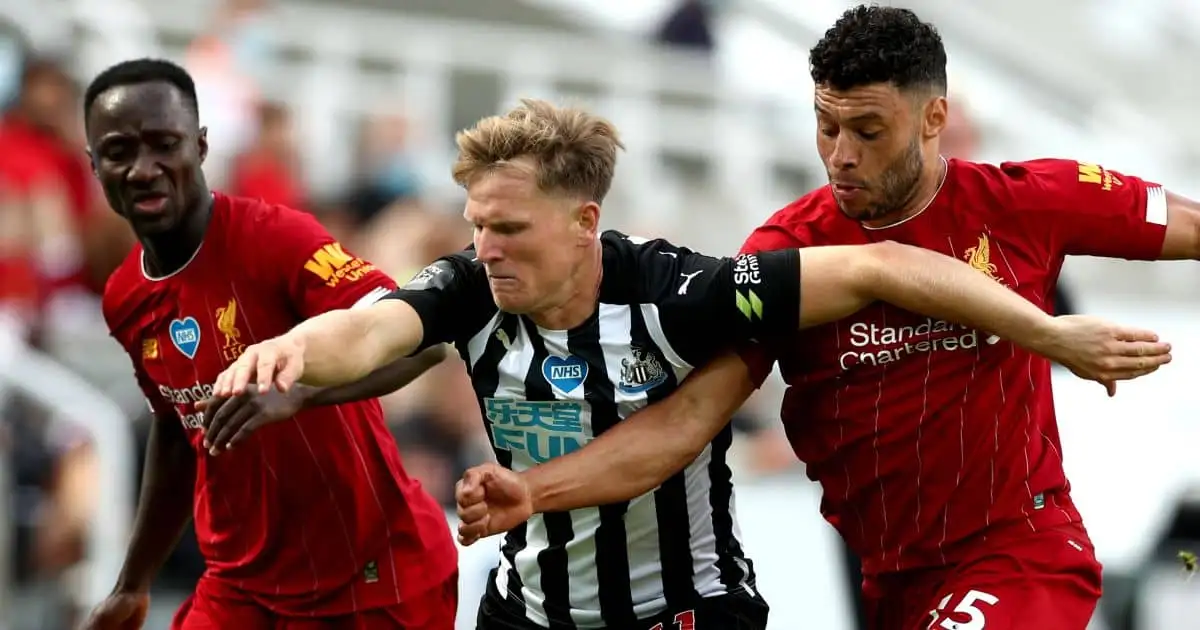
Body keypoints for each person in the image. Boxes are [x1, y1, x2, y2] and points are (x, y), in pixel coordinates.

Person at [211, 99, 1169, 630]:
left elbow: (881, 265)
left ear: (584, 223)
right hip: (528, 615)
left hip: (683, 615)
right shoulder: (469, 289)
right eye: (476, 226)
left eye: (508, 227)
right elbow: (373, 331)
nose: (486, 246)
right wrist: (293, 348)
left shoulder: (685, 294)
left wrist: (1051, 335)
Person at [451, 6, 1199, 630]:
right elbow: (685, 424)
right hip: (887, 577)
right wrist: (537, 491)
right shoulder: (787, 254)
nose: (840, 156)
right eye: (825, 126)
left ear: (934, 117)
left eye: (867, 132)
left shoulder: (1022, 203)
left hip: (1018, 549)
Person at [78, 58, 457, 630]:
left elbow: (423, 342)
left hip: (372, 579)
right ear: (94, 165)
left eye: (164, 144)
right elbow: (178, 433)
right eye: (118, 152)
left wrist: (302, 392)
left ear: (201, 147)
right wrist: (133, 583)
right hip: (240, 586)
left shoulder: (275, 238)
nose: (142, 169)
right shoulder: (125, 295)